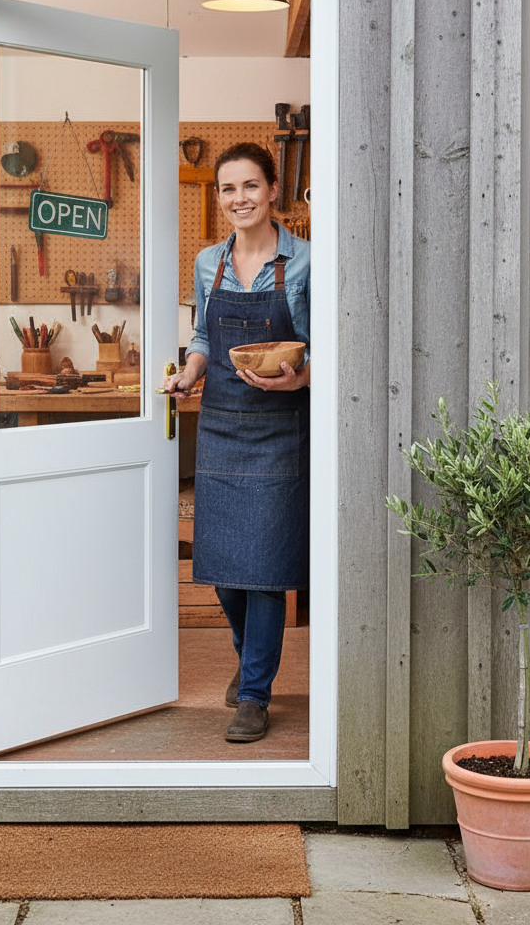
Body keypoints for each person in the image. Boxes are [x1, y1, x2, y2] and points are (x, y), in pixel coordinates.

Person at [162, 142, 310, 743]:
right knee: (225, 569)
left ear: (272, 191)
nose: (239, 198)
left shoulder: (305, 262)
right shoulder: (207, 263)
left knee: (267, 568)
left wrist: (301, 376)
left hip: (279, 428)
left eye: (250, 186)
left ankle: (254, 693)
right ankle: (249, 655)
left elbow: (322, 343)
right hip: (223, 425)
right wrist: (187, 375)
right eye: (228, 189)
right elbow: (202, 336)